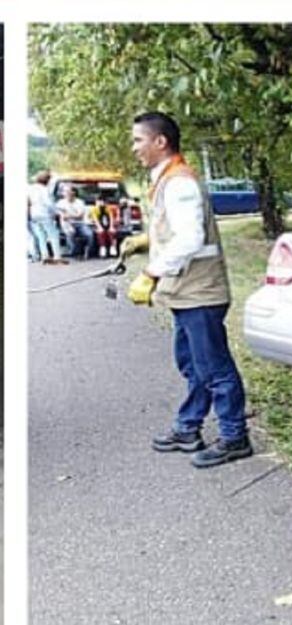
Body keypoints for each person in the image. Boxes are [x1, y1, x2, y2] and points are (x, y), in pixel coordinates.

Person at [121, 111, 251, 468]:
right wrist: (147, 240)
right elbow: (176, 230)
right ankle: (188, 427)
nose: (134, 148)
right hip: (186, 292)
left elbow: (191, 238)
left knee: (215, 368)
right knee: (193, 364)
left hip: (200, 293)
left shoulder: (179, 182)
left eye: (138, 140)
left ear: (160, 141)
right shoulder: (167, 179)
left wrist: (150, 273)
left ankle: (235, 437)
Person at [28, 170, 65, 264]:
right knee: (53, 234)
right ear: (46, 180)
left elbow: (29, 200)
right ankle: (57, 257)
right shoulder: (44, 189)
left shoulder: (31, 188)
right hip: (44, 213)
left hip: (34, 213)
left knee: (41, 236)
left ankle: (45, 256)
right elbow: (48, 203)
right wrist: (56, 212)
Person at [55, 183, 96, 259]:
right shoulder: (60, 203)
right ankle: (75, 253)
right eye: (64, 192)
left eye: (67, 191)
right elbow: (62, 216)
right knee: (71, 233)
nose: (65, 193)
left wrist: (68, 215)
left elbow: (80, 216)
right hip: (67, 224)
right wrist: (70, 215)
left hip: (80, 223)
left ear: (73, 192)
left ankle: (88, 252)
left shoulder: (80, 202)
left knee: (89, 234)